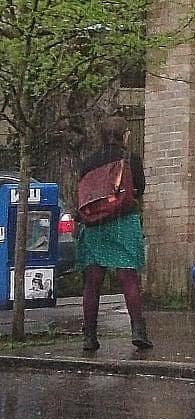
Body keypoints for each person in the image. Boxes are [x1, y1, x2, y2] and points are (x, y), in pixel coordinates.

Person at [76, 115, 148, 354]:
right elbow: (140, 190)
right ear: (124, 135)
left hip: (95, 226)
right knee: (128, 278)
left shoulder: (88, 162)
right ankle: (138, 331)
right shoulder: (130, 159)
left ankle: (89, 337)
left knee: (93, 282)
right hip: (123, 223)